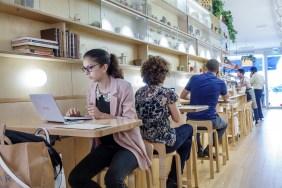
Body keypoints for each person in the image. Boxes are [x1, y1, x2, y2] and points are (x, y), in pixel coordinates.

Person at [66, 49, 151, 188]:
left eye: (90, 68)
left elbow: (131, 120)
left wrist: (102, 115)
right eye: (84, 69)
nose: (86, 72)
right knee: (76, 178)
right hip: (105, 146)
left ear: (104, 67)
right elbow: (94, 118)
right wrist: (78, 118)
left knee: (112, 180)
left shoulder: (123, 86)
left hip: (127, 146)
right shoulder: (91, 89)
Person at [135, 56, 193, 188]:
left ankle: (174, 180)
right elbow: (177, 118)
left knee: (186, 142)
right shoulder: (167, 93)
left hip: (144, 142)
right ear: (163, 74)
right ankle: (173, 180)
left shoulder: (139, 93)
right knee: (189, 128)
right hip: (164, 142)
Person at [180, 59, 230, 157]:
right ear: (218, 69)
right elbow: (226, 98)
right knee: (224, 125)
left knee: (195, 126)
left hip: (191, 120)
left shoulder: (194, 78)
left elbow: (183, 95)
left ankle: (199, 150)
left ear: (205, 68)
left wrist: (195, 98)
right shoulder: (220, 82)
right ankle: (208, 149)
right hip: (210, 121)